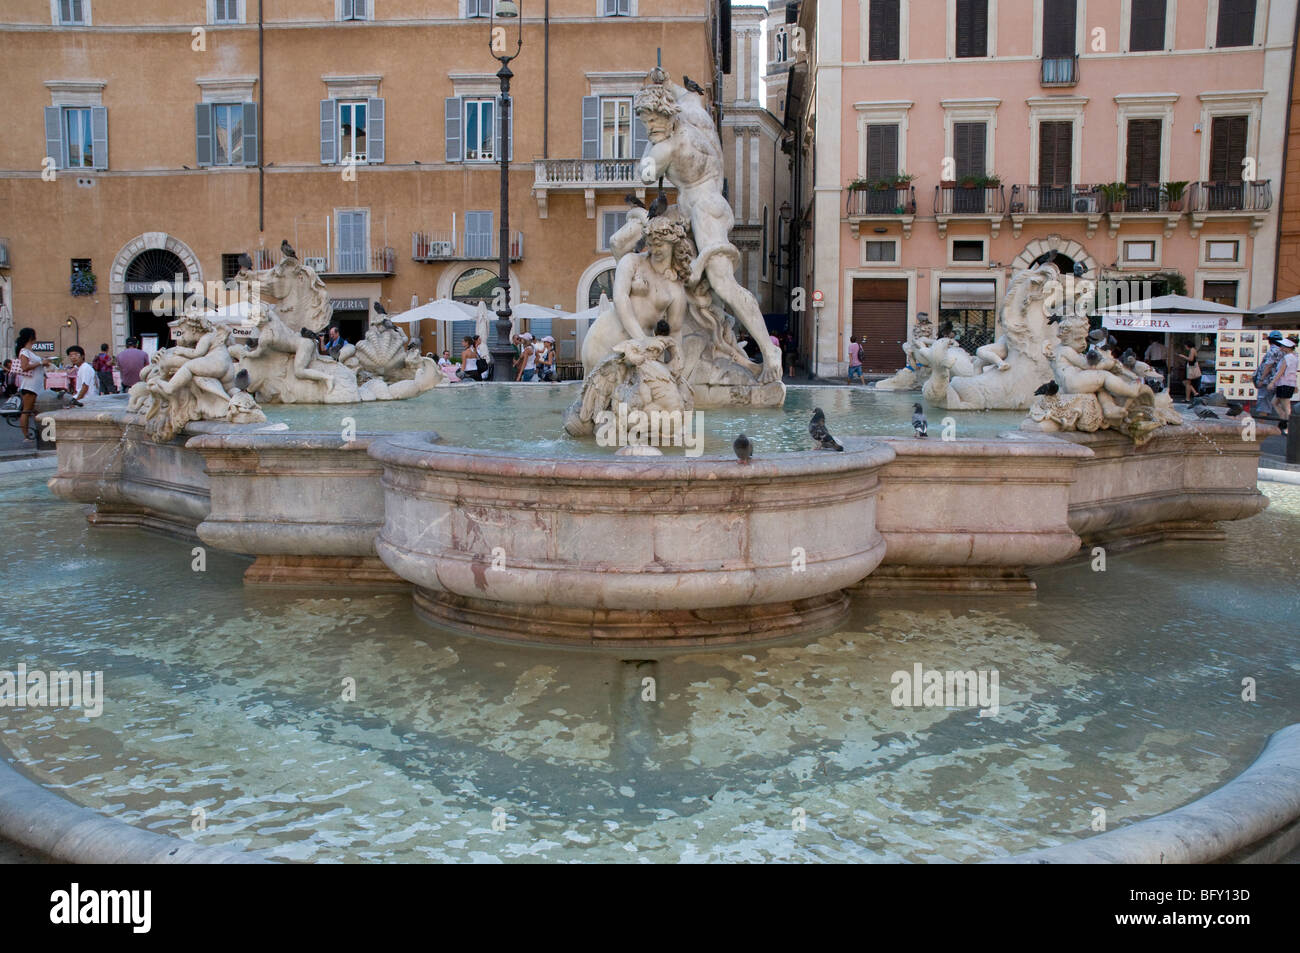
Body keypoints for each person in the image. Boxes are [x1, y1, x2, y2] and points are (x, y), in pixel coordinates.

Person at [15, 327, 51, 441]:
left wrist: (42, 363)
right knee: (26, 410)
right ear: (31, 337)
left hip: (36, 385)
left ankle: (40, 434)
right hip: (30, 386)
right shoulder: (24, 352)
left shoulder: (29, 351)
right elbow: (24, 367)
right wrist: (40, 362)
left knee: (36, 410)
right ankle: (27, 436)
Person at [1254, 330, 1285, 418]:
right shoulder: (1283, 351)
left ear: (1269, 340)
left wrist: (1261, 379)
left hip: (1267, 381)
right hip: (1278, 381)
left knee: (1263, 404)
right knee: (1277, 404)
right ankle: (1284, 425)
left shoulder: (1272, 351)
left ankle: (1262, 427)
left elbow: (1268, 366)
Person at [1271, 336, 1298, 433]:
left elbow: (1281, 372)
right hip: (1288, 383)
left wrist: (1272, 382)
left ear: (1287, 347)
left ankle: (1288, 427)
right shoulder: (1295, 356)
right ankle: (1283, 421)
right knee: (1275, 402)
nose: (1281, 347)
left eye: (1283, 345)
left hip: (1284, 384)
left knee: (1286, 406)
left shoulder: (1287, 357)